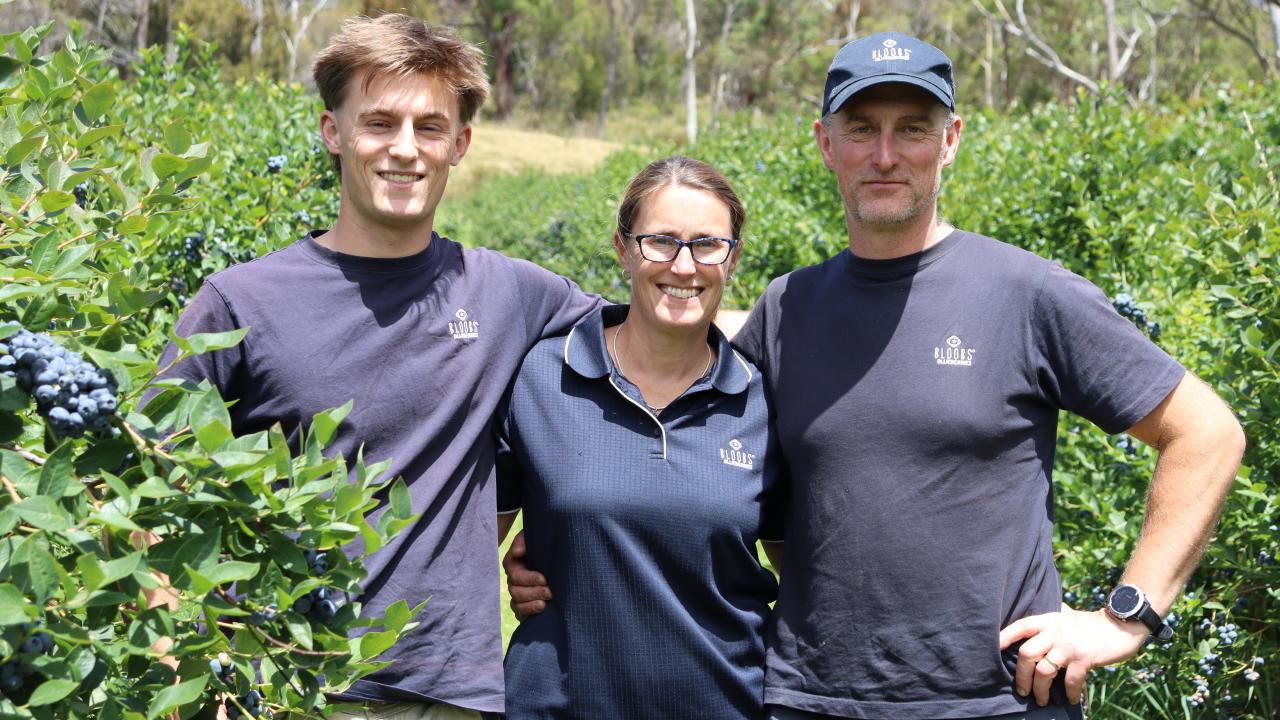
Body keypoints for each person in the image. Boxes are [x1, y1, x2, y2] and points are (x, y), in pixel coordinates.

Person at [507, 32, 1245, 720]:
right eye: (861, 128)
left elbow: (1205, 433)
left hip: (996, 698)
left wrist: (1126, 615)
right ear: (827, 145)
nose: (885, 154)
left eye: (913, 128)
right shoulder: (789, 307)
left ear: (950, 140)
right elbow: (693, 418)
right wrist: (564, 541)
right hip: (808, 699)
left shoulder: (1026, 294)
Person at [152, 14, 603, 720]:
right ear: (334, 133)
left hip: (448, 692)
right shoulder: (240, 302)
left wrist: (557, 537)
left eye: (429, 127)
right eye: (379, 123)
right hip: (283, 682)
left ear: (461, 143)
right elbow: (148, 472)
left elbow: (657, 352)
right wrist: (174, 653)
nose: (405, 149)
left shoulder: (511, 293)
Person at [494, 157, 786, 720]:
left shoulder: (762, 403)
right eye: (660, 242)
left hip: (726, 705)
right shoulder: (542, 378)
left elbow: (808, 577)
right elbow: (466, 545)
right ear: (624, 249)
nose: (683, 265)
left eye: (707, 244)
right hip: (556, 707)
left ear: (734, 257)